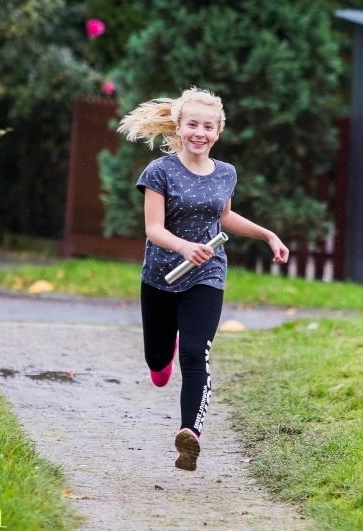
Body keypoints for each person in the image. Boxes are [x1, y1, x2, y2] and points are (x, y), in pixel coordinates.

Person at [117, 87, 289, 471]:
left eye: (208, 126)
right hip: (160, 276)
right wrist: (183, 247)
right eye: (192, 124)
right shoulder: (159, 172)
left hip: (206, 275)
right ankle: (163, 358)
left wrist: (268, 235)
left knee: (197, 351)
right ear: (178, 128)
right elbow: (153, 229)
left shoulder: (226, 173)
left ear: (217, 131)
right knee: (159, 362)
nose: (200, 132)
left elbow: (224, 218)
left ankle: (189, 433)